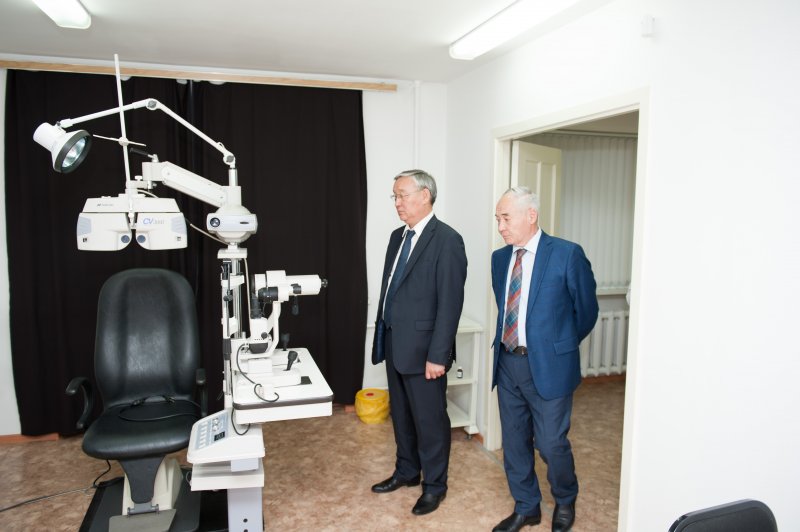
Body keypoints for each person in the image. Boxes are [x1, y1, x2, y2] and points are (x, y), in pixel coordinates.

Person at [490, 186, 598, 532]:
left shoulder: (566, 254)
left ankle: (565, 499)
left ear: (531, 215)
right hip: (508, 362)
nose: (500, 226)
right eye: (497, 219)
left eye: (506, 218)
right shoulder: (499, 259)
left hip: (551, 367)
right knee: (514, 441)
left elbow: (586, 311)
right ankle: (527, 507)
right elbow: (506, 305)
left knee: (551, 443)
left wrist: (558, 346)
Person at [370, 169, 467, 516]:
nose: (397, 202)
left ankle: (435, 486)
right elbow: (392, 289)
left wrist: (438, 355)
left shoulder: (447, 240)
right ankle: (407, 471)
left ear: (425, 195)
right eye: (394, 196)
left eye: (403, 195)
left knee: (430, 422)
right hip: (395, 343)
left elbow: (450, 304)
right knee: (401, 416)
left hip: (426, 351)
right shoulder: (398, 236)